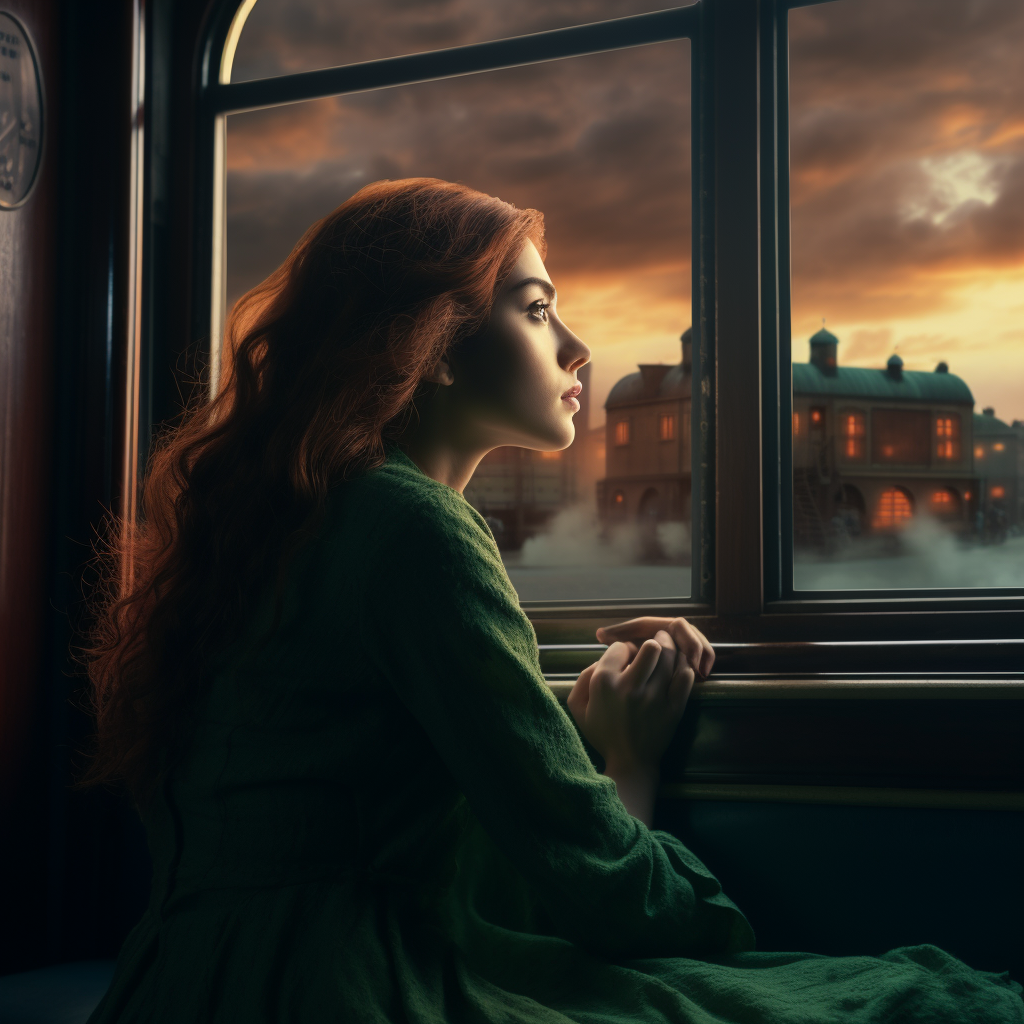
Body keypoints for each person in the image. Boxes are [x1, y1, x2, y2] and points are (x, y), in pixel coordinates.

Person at [82, 178, 1022, 1023]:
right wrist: (629, 758)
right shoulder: (414, 530)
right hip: (348, 987)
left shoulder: (297, 519)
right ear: (436, 349)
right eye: (537, 311)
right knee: (927, 1001)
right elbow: (600, 887)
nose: (578, 346)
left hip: (185, 978)